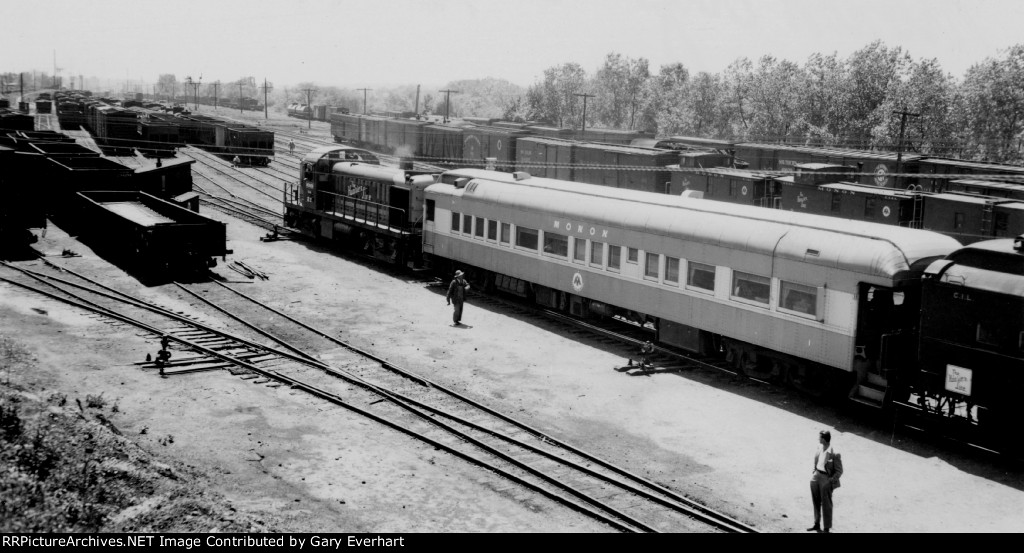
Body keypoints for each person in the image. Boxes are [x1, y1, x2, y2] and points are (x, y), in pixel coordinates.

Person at [808, 430, 843, 533]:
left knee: (826, 504)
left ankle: (826, 528)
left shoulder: (835, 453)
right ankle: (816, 524)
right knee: (815, 501)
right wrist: (815, 471)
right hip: (816, 476)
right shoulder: (819, 448)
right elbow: (817, 460)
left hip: (826, 479)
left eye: (820, 437)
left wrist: (830, 480)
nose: (818, 439)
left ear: (824, 439)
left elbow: (839, 471)